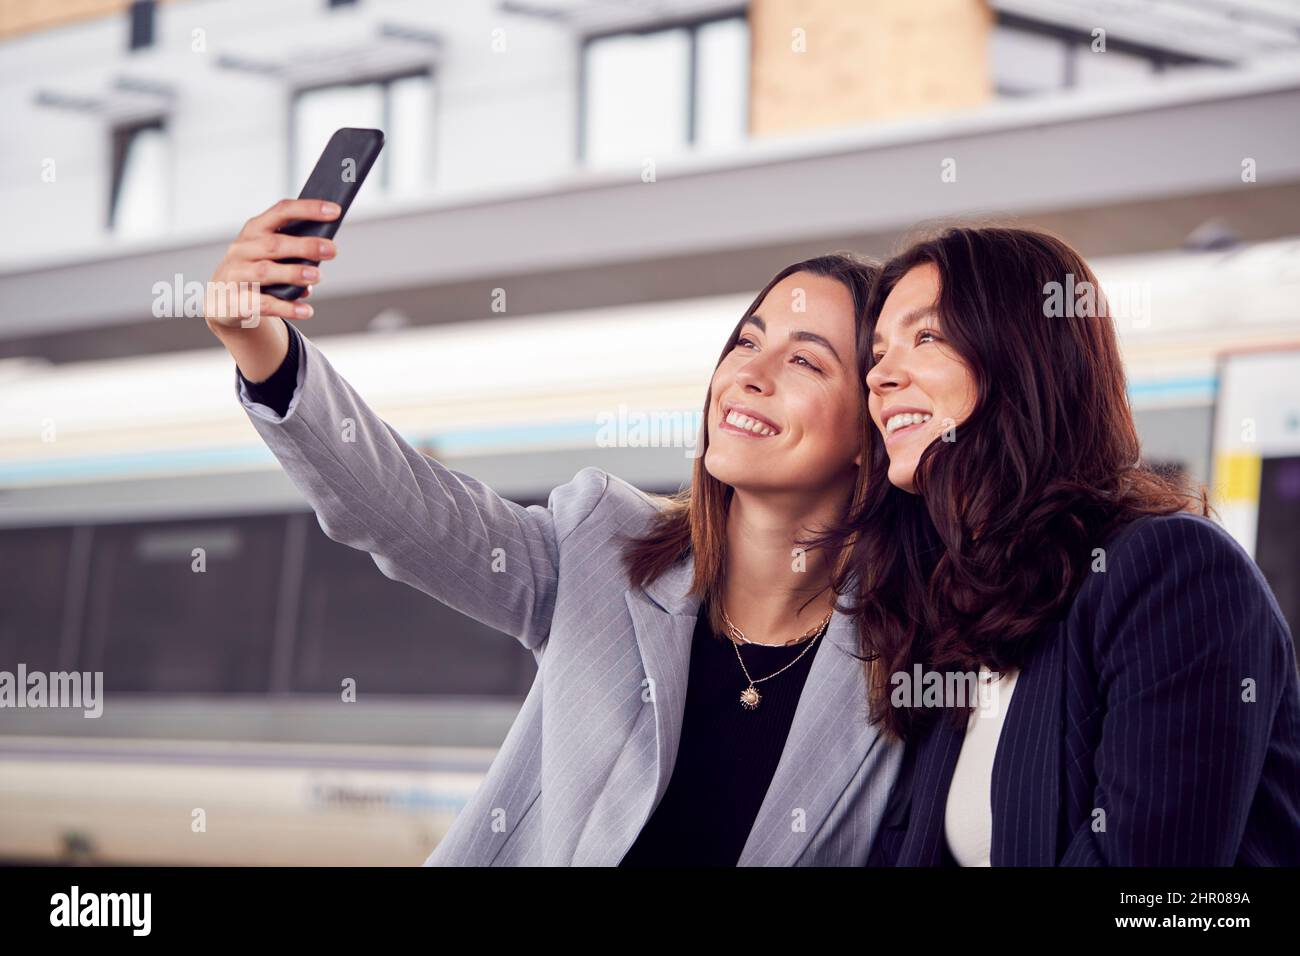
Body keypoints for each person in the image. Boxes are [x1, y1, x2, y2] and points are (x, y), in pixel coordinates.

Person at [204, 198, 899, 866]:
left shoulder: (910, 656)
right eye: (746, 341)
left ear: (872, 429)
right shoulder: (602, 548)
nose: (749, 373)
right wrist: (260, 346)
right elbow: (403, 511)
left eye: (805, 359)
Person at [839, 225, 1300, 866]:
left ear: (1023, 358)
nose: (880, 376)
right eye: (878, 353)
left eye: (926, 337)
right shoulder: (961, 603)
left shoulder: (1173, 572)